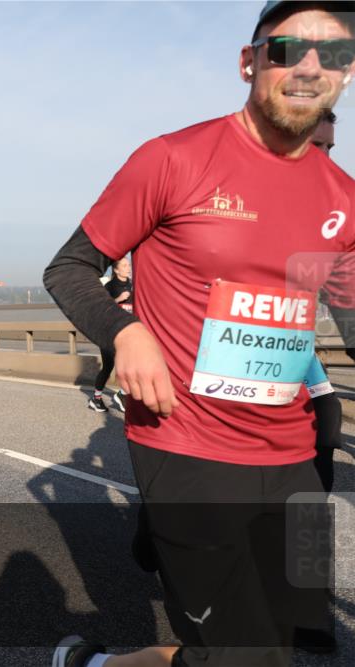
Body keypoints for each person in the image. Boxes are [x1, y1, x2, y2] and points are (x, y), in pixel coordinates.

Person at [45, 3, 355, 666]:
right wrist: (125, 332)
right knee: (249, 657)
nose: (310, 67)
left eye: (332, 53)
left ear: (348, 72)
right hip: (186, 445)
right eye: (287, 48)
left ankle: (96, 664)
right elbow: (69, 268)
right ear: (248, 62)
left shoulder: (343, 197)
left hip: (292, 457)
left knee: (274, 646)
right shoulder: (171, 159)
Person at [88, 257, 133, 413]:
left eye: (129, 265)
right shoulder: (110, 286)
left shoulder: (132, 285)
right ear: (116, 269)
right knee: (112, 366)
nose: (128, 268)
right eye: (125, 265)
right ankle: (117, 395)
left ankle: (100, 398)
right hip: (109, 332)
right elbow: (101, 309)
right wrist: (118, 299)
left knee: (119, 364)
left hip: (126, 332)